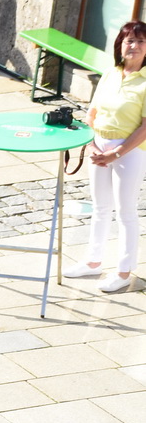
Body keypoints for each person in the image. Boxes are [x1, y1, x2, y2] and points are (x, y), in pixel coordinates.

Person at [74, 21, 146, 295]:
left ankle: (124, 272)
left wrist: (117, 152)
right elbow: (91, 115)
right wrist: (92, 146)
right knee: (100, 206)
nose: (134, 46)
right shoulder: (110, 74)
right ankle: (93, 261)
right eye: (129, 41)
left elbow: (145, 126)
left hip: (130, 151)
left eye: (140, 42)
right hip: (99, 145)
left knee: (126, 211)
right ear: (120, 45)